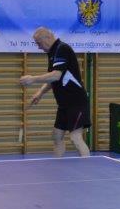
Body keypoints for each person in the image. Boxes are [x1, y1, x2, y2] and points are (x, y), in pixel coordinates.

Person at [18, 27, 90, 158]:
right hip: (64, 104)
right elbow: (53, 78)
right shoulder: (53, 53)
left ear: (47, 37)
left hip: (76, 102)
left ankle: (89, 166)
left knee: (75, 137)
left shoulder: (62, 49)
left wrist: (32, 79)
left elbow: (56, 75)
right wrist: (40, 93)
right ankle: (58, 166)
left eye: (39, 43)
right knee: (57, 137)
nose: (38, 47)